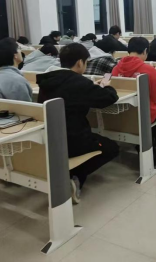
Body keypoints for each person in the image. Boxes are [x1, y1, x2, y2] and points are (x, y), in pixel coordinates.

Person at [37, 43, 120, 203]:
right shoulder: (78, 82)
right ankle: (76, 176)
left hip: (50, 138)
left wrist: (92, 88)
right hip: (73, 140)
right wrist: (107, 87)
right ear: (80, 62)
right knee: (112, 148)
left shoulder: (48, 80)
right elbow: (108, 98)